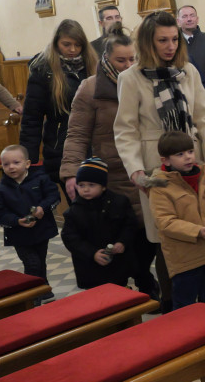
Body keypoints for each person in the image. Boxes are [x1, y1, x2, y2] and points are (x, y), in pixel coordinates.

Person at [115, 11, 205, 314]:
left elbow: (204, 117)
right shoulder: (130, 77)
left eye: (174, 39)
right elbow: (125, 129)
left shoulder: (188, 71)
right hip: (154, 165)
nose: (170, 46)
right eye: (162, 40)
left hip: (191, 158)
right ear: (148, 41)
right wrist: (135, 170)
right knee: (166, 233)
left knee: (199, 224)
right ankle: (174, 304)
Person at [60, 33, 158, 297]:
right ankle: (136, 285)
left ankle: (144, 278)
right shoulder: (91, 88)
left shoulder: (148, 81)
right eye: (120, 60)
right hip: (113, 177)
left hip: (145, 169)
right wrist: (70, 173)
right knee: (126, 232)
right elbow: (77, 134)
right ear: (106, 58)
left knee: (147, 236)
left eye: (132, 59)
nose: (127, 65)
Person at [148, 131, 205, 309]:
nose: (188, 157)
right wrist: (196, 231)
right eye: (180, 154)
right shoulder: (159, 185)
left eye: (190, 151)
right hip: (184, 257)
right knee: (185, 303)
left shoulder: (203, 175)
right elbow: (165, 221)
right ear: (166, 161)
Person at [20, 19, 97, 190]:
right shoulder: (43, 72)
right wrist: (29, 160)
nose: (72, 50)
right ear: (56, 43)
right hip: (61, 145)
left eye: (78, 45)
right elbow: (32, 119)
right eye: (66, 44)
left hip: (96, 144)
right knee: (80, 207)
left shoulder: (92, 66)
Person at [0, 144, 60, 302]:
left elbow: (53, 196)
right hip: (19, 234)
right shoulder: (0, 190)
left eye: (16, 162)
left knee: (41, 260)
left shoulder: (40, 179)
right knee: (32, 263)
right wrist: (16, 221)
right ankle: (32, 294)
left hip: (41, 230)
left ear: (27, 164)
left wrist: (43, 207)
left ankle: (43, 287)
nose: (11, 167)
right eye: (6, 164)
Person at [60, 157, 139, 290]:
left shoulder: (119, 202)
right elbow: (70, 238)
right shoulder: (74, 211)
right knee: (96, 297)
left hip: (117, 263)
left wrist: (122, 242)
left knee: (119, 292)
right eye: (81, 185)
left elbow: (130, 224)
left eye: (91, 185)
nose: (85, 190)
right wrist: (92, 253)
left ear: (103, 186)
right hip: (88, 266)